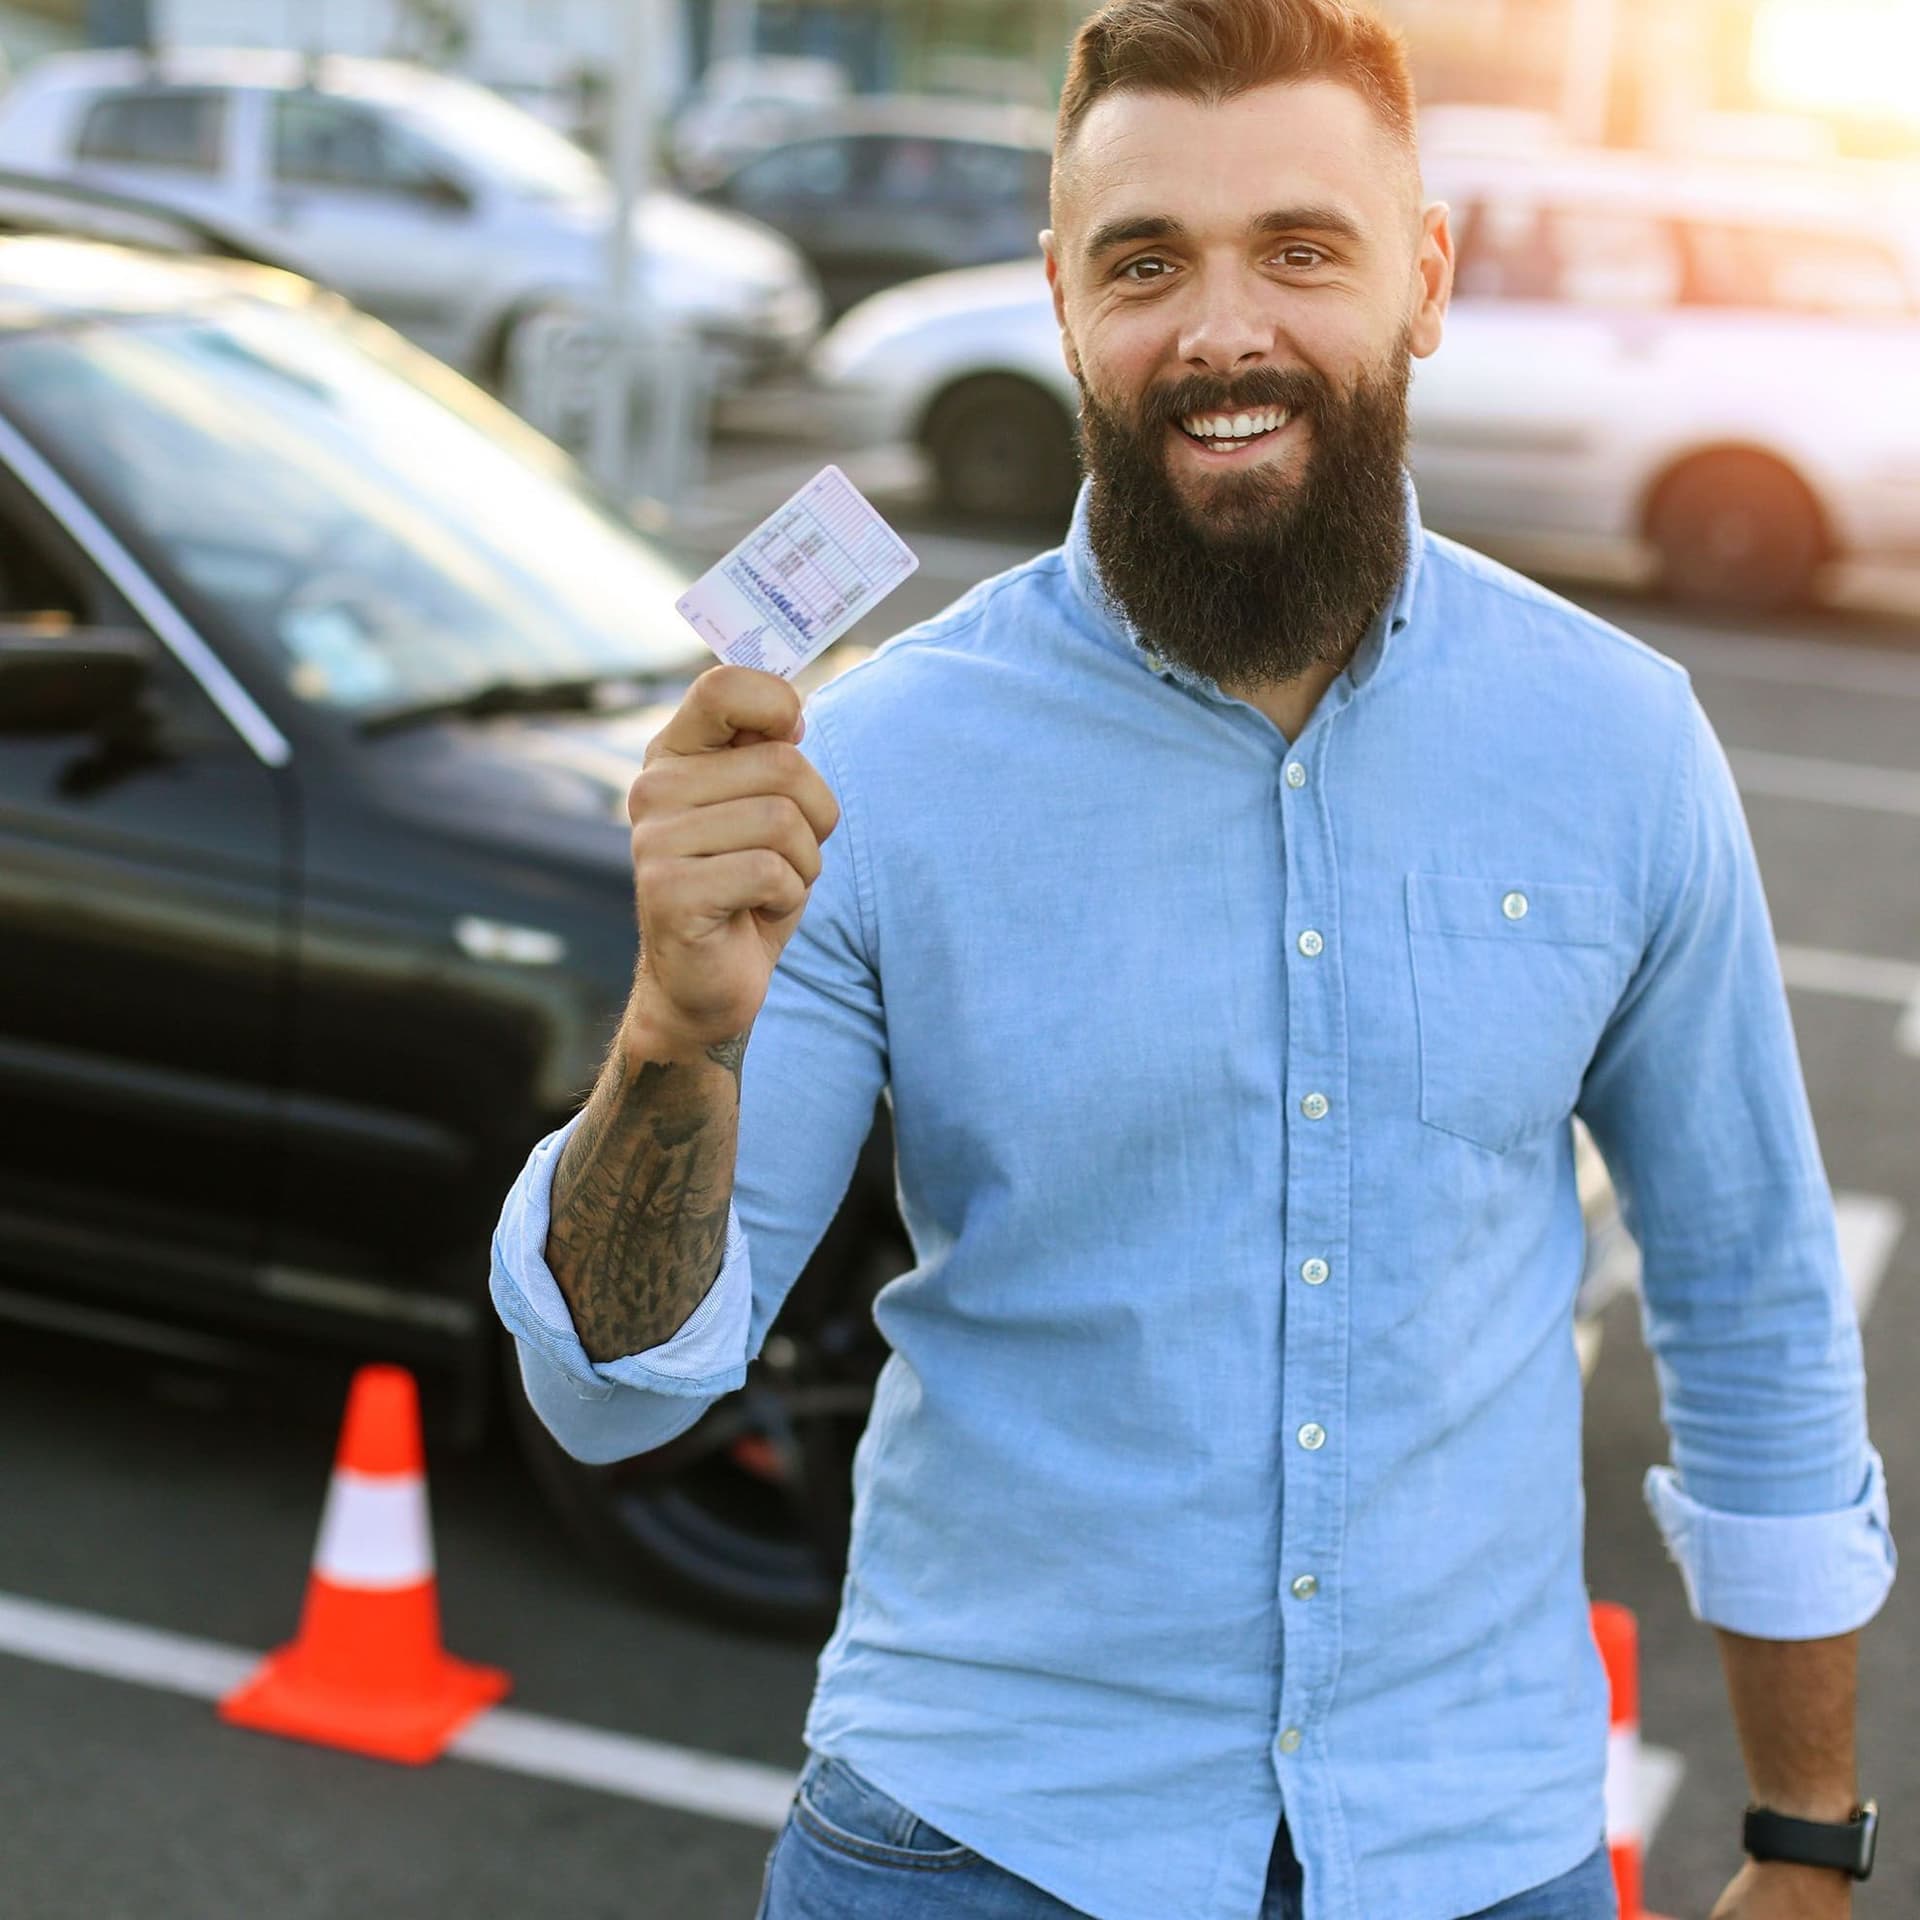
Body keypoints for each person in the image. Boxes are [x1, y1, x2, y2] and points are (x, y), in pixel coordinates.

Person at [490, 2, 1895, 1915]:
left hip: (1475, 1853)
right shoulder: (872, 762)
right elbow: (617, 1398)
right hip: (972, 1848)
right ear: (1063, 300)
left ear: (1426, 278)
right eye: (1148, 261)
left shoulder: (1620, 743)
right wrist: (673, 1031)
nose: (1223, 330)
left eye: (1300, 250)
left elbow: (1749, 1298)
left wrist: (1810, 1838)